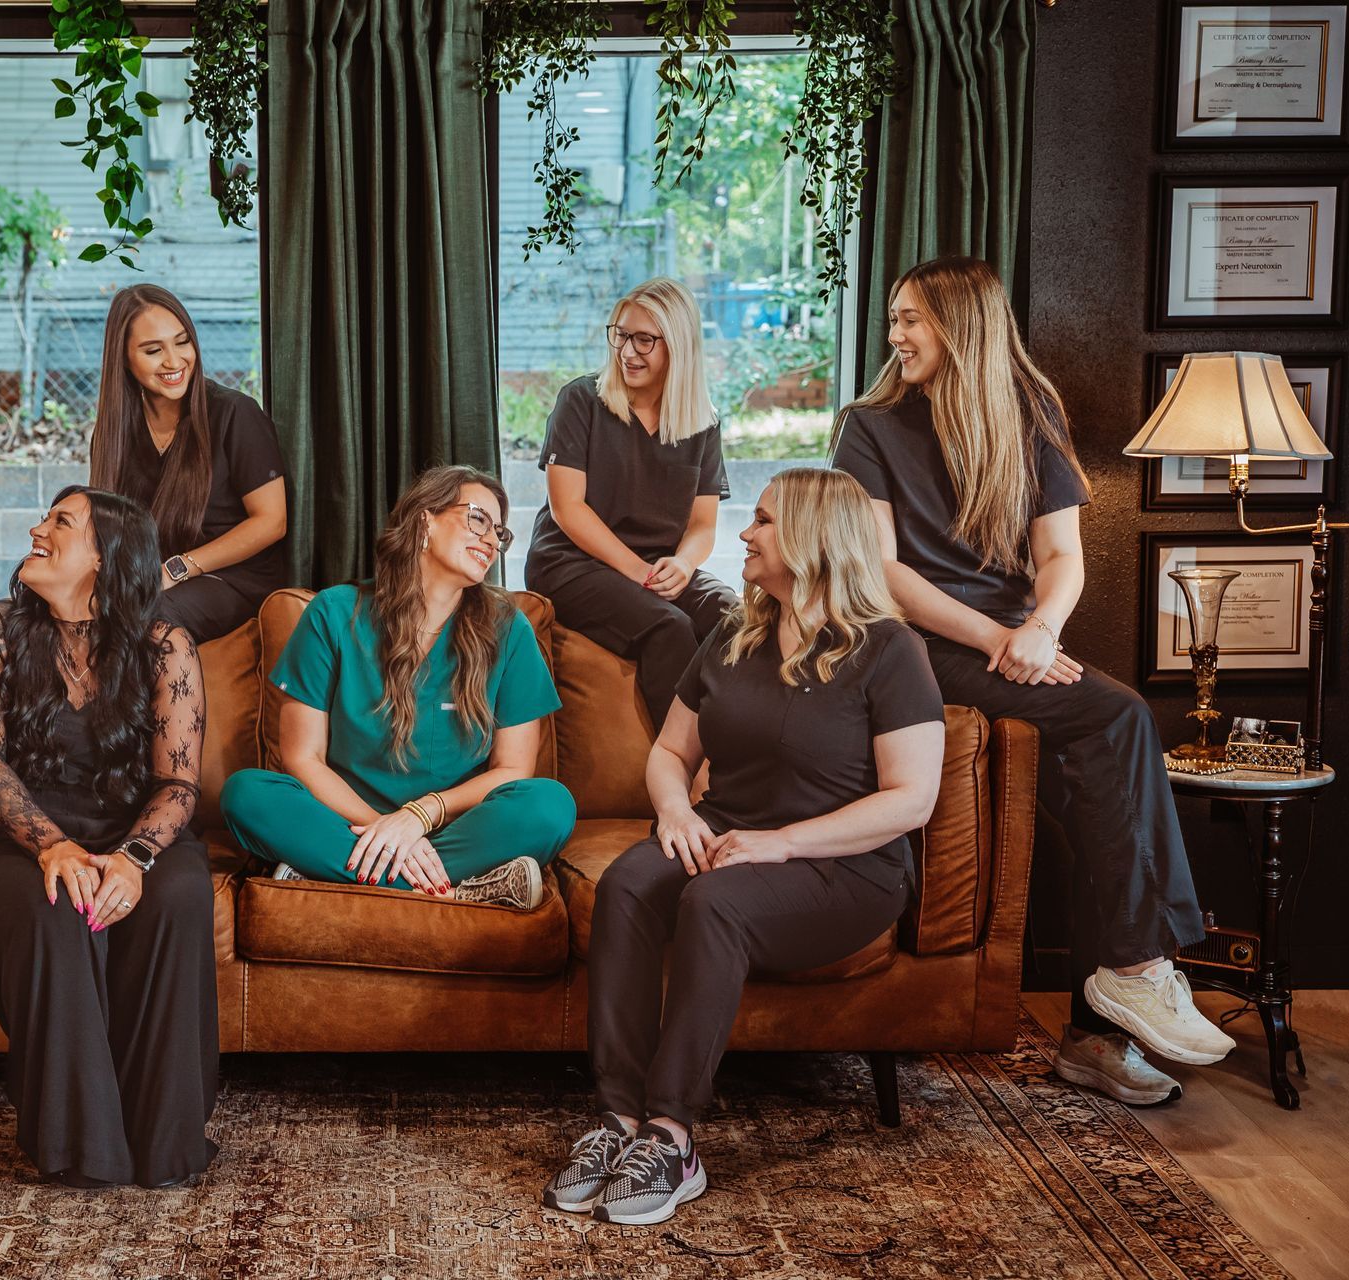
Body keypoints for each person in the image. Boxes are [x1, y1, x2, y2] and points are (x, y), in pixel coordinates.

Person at [831, 254, 1232, 1107]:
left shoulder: (1031, 413)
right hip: (918, 645)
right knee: (1120, 717)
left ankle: (1097, 1035)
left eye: (910, 319)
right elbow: (883, 572)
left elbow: (1061, 557)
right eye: (893, 318)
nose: (895, 335)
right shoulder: (868, 426)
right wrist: (1001, 640)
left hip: (1016, 642)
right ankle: (1141, 970)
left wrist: (1041, 629)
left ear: (961, 326)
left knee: (1101, 796)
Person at [546, 468, 945, 1226]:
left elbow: (911, 800)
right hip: (728, 832)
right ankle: (619, 1120)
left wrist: (783, 844)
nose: (744, 533)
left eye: (762, 520)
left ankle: (671, 1136)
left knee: (715, 901)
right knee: (627, 885)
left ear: (813, 538)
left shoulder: (892, 650)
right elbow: (671, 752)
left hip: (844, 867)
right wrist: (674, 812)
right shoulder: (736, 635)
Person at [0, 486, 217, 1187]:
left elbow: (177, 783)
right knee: (58, 905)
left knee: (180, 896)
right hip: (3, 839)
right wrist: (51, 845)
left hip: (129, 832)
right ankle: (82, 1149)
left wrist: (134, 858)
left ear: (106, 556)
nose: (37, 529)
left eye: (60, 521)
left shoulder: (164, 645)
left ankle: (162, 1142)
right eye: (44, 517)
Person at [221, 466, 575, 908]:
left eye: (499, 533)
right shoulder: (333, 613)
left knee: (550, 805)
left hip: (454, 829)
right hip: (352, 824)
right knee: (246, 795)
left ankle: (333, 873)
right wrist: (385, 830)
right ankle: (458, 890)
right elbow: (302, 757)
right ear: (425, 520)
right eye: (478, 519)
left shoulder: (509, 629)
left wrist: (419, 816)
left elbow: (513, 769)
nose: (491, 540)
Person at [523, 277, 736, 729]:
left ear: (678, 346)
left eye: (644, 340)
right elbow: (567, 508)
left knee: (734, 617)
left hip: (654, 565)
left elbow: (702, 524)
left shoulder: (703, 422)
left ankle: (739, 748)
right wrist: (638, 571)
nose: (626, 351)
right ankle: (681, 761)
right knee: (669, 627)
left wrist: (683, 563)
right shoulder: (581, 400)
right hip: (571, 563)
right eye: (620, 335)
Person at [88, 284, 287, 643]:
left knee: (146, 618)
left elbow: (272, 522)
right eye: (153, 350)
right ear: (123, 359)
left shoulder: (234, 412)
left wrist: (176, 569)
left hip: (231, 580)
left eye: (182, 342)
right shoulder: (114, 434)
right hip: (153, 581)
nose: (174, 361)